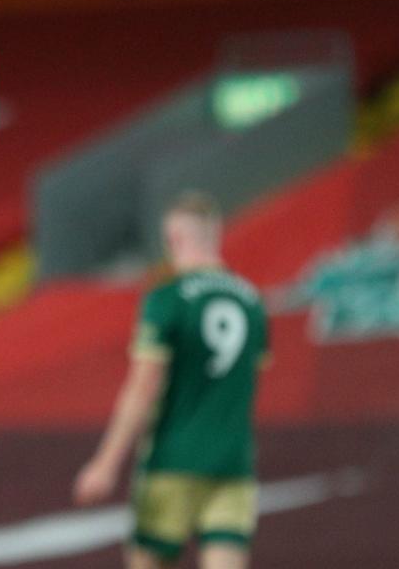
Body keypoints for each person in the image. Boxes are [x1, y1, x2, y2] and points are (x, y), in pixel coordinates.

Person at [73, 192, 270, 569]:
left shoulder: (167, 299)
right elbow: (248, 385)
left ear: (175, 239)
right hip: (233, 463)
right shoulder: (252, 302)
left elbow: (142, 387)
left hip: (172, 461)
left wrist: (106, 462)